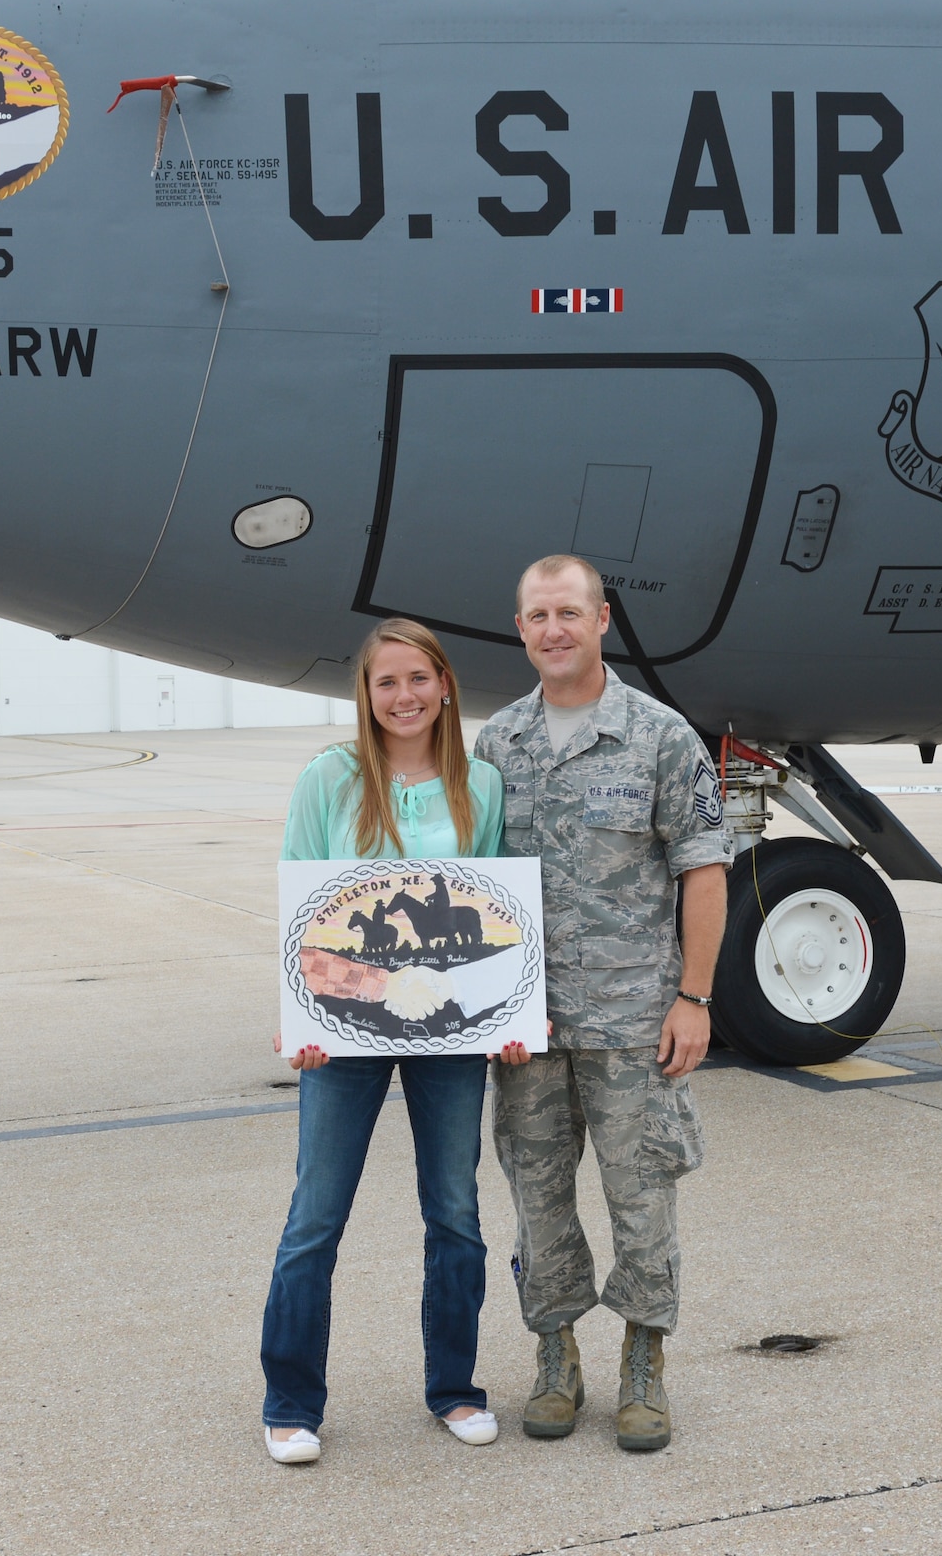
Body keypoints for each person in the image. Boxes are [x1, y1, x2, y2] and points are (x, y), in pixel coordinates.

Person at [474, 555, 732, 1452]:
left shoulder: (661, 736)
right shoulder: (496, 745)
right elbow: (467, 881)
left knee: (643, 1198)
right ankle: (554, 1357)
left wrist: (694, 997)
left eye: (569, 613)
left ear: (602, 620)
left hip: (633, 1024)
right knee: (537, 1199)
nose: (554, 630)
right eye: (538, 615)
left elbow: (704, 868)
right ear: (521, 628)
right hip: (525, 1029)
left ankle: (644, 1363)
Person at [261, 618, 532, 1464]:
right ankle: (291, 1401)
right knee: (316, 1218)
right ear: (366, 694)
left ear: (445, 684)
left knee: (455, 1213)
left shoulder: (479, 786)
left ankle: (454, 1389)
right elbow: (302, 900)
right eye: (387, 682)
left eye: (419, 679)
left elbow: (498, 912)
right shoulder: (329, 779)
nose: (404, 696)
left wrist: (510, 1019)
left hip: (450, 1031)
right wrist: (299, 1016)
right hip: (343, 1030)